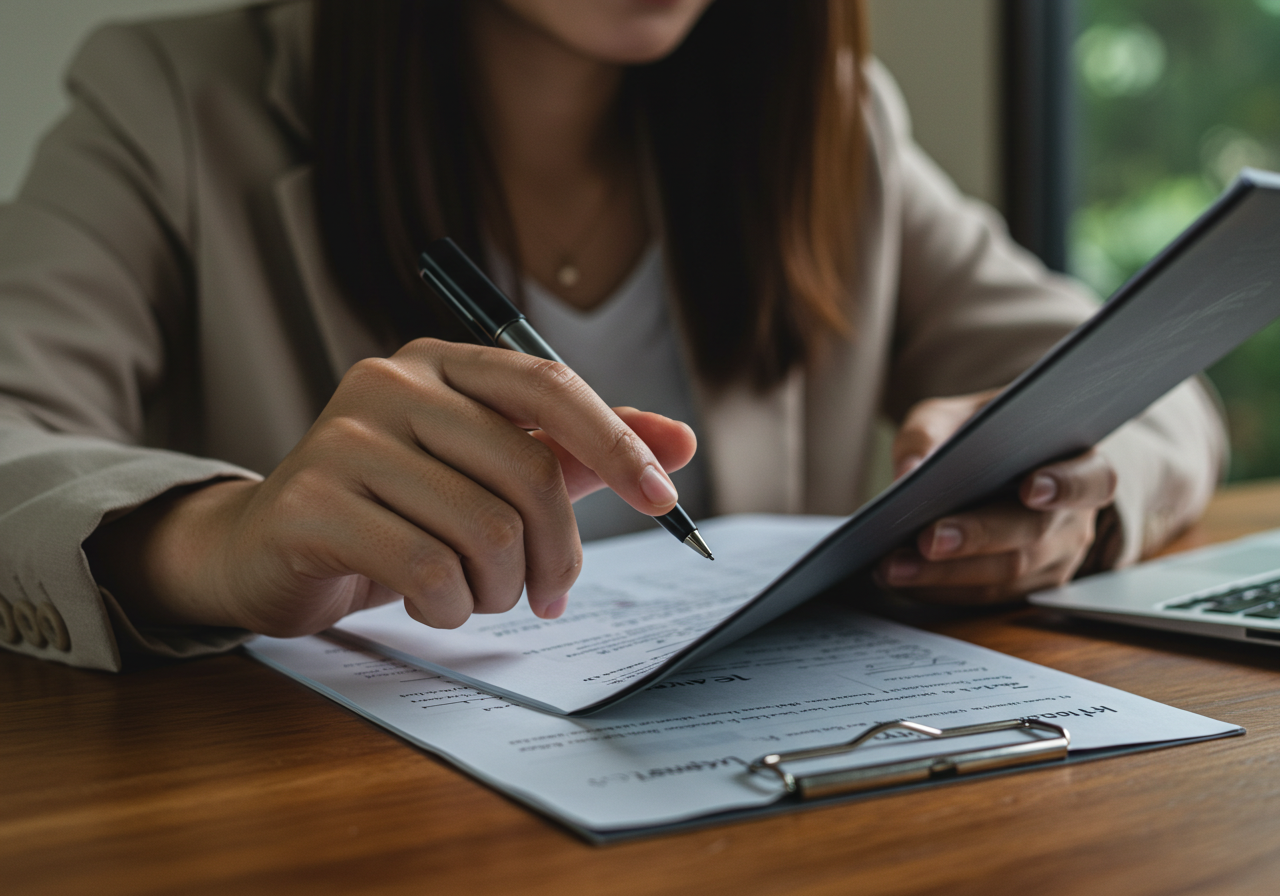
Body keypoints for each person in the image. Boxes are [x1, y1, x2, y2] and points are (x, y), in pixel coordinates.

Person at [0, 0, 1224, 670]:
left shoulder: (831, 127)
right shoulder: (170, 100)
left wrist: (1066, 485)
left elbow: (1137, 377)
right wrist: (215, 537)